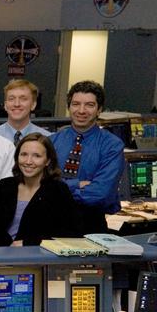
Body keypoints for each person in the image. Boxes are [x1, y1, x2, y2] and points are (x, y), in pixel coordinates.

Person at [52, 80, 125, 234]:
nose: (81, 110)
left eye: (89, 105)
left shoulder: (112, 145)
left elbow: (100, 193)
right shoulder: (52, 141)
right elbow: (40, 185)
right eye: (76, 104)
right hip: (50, 221)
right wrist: (77, 184)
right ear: (69, 107)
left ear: (99, 110)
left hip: (89, 224)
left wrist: (57, 192)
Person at [0, 133, 78, 246]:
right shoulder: (5, 185)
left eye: (37, 156)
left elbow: (70, 233)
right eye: (24, 154)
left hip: (37, 256)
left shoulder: (58, 190)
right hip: (0, 254)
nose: (28, 161)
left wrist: (28, 243)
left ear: (48, 161)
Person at [0, 79, 52, 145]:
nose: (17, 104)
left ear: (33, 105)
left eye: (23, 99)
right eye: (11, 99)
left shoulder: (47, 138)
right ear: (5, 105)